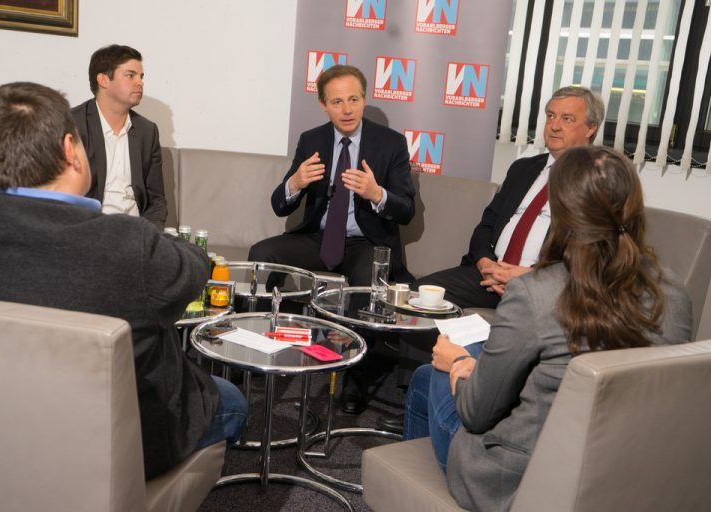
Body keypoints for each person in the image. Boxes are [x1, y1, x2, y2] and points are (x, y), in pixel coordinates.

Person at [0, 82, 246, 480]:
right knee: (234, 403)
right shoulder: (126, 245)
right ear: (71, 150)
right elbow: (193, 269)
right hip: (113, 439)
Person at [403, 146, 693, 512]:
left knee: (433, 373)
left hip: (516, 484)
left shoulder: (535, 294)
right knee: (435, 373)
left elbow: (476, 414)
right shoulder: (674, 293)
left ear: (561, 211)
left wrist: (460, 364)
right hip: (625, 475)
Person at [382, 86, 607, 432]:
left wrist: (529, 274)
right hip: (489, 271)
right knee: (422, 295)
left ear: (590, 128)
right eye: (550, 116)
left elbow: (587, 251)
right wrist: (485, 262)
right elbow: (487, 224)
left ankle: (479, 408)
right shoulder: (524, 168)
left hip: (540, 283)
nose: (555, 126)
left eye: (567, 118)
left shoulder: (597, 179)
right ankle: (419, 394)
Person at [248, 64, 416, 286]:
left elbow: (406, 211)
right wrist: (295, 183)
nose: (347, 110)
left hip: (367, 243)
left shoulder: (392, 144)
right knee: (261, 254)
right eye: (337, 102)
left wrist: (376, 194)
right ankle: (255, 319)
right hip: (318, 240)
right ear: (323, 105)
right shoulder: (311, 140)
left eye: (353, 99)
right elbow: (279, 207)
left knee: (369, 277)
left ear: (364, 100)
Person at [72, 44, 167, 229]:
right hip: (89, 229)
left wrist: (149, 237)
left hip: (136, 233)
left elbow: (157, 201)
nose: (140, 82)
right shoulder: (72, 124)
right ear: (103, 80)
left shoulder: (148, 131)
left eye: (141, 77)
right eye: (130, 75)